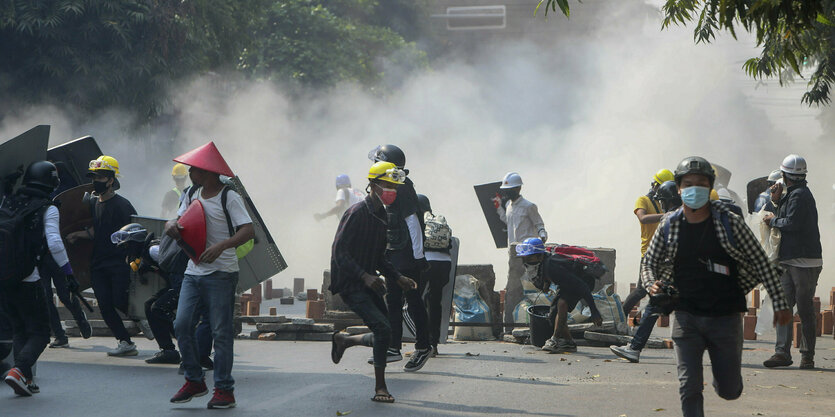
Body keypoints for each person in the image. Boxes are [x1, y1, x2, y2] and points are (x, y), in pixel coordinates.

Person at [641, 156, 791, 417]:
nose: (693, 189)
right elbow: (648, 263)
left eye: (700, 184)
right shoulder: (669, 224)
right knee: (688, 386)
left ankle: (723, 379)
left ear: (709, 187)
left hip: (725, 317)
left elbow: (761, 262)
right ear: (678, 188)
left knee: (730, 390)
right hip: (686, 317)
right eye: (687, 184)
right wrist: (650, 284)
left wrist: (779, 303)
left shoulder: (729, 223)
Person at [166, 142, 254, 409]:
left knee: (221, 332)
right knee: (181, 324)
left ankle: (224, 390)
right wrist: (171, 226)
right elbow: (178, 220)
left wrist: (221, 246)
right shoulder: (191, 192)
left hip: (222, 273)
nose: (190, 173)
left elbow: (248, 230)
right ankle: (194, 380)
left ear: (208, 172)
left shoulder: (229, 197)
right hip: (193, 270)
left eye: (194, 169)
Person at [329, 161, 417, 403]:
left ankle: (344, 340)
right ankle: (380, 387)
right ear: (374, 185)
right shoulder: (356, 213)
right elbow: (339, 253)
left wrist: (398, 277)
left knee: (385, 333)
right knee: (383, 328)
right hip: (350, 282)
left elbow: (380, 257)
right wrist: (364, 276)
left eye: (394, 186)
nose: (392, 190)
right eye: (388, 185)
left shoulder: (382, 216)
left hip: (369, 281)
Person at [1, 161, 80, 396]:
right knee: (40, 333)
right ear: (51, 182)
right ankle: (20, 369)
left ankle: (27, 379)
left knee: (18, 329)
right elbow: (55, 243)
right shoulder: (48, 207)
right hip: (29, 277)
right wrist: (68, 273)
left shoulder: (10, 201)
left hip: (5, 278)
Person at [66, 155, 145, 357]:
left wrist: (134, 258)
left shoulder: (123, 206)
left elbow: (137, 232)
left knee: (120, 299)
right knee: (105, 305)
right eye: (93, 177)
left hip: (118, 262)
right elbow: (97, 228)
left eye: (100, 177)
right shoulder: (94, 203)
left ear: (111, 180)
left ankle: (145, 319)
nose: (95, 181)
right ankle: (125, 342)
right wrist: (78, 235)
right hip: (99, 263)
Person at [368, 144, 432, 371]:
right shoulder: (389, 188)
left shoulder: (403, 189)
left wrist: (418, 256)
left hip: (407, 257)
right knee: (392, 302)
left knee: (414, 302)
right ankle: (393, 348)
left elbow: (412, 223)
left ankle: (424, 347)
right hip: (395, 255)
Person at [762, 154, 823, 369]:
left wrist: (773, 220)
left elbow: (793, 223)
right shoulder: (792, 195)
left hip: (804, 263)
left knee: (805, 309)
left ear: (786, 176)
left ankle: (807, 356)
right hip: (790, 260)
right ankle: (782, 353)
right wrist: (777, 202)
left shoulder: (800, 195)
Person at [611, 180, 681, 362]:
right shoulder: (696, 215)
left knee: (653, 305)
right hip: (694, 277)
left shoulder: (669, 219)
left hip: (672, 274)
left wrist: (654, 282)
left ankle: (634, 348)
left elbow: (654, 256)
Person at [111, 223, 181, 365]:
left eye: (126, 246)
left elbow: (177, 262)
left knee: (159, 308)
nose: (126, 251)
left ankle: (191, 348)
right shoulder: (145, 254)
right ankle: (168, 351)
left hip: (185, 284)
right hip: (177, 285)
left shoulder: (153, 250)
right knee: (150, 306)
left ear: (135, 242)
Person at [516, 238, 602, 353]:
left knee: (562, 303)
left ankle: (555, 340)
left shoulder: (552, 266)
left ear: (539, 256)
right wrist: (546, 284)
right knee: (553, 315)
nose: (526, 261)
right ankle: (568, 342)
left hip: (584, 280)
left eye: (529, 258)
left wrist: (594, 310)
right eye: (524, 258)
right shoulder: (543, 262)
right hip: (568, 281)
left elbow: (582, 286)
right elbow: (547, 275)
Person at [40, 161, 92, 349]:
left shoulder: (59, 189)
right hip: (40, 257)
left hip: (55, 253)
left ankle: (79, 317)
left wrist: (68, 269)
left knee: (64, 292)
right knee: (45, 297)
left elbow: (56, 237)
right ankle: (60, 335)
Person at [493, 171, 547, 332]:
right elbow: (507, 221)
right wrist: (498, 209)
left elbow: (539, 224)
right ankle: (515, 322)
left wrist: (543, 236)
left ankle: (531, 321)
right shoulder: (509, 206)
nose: (505, 192)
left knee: (531, 286)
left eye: (508, 190)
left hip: (529, 254)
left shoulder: (529, 206)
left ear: (517, 189)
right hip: (514, 253)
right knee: (515, 288)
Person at [621, 168, 674, 316]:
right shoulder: (643, 200)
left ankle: (639, 323)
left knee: (658, 290)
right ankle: (620, 315)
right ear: (655, 185)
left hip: (662, 252)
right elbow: (642, 218)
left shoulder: (661, 203)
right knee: (641, 290)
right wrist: (666, 215)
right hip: (649, 252)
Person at [416, 194, 453, 355]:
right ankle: (434, 345)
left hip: (426, 262)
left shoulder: (416, 220)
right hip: (445, 263)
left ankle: (422, 344)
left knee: (415, 301)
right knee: (435, 301)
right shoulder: (438, 221)